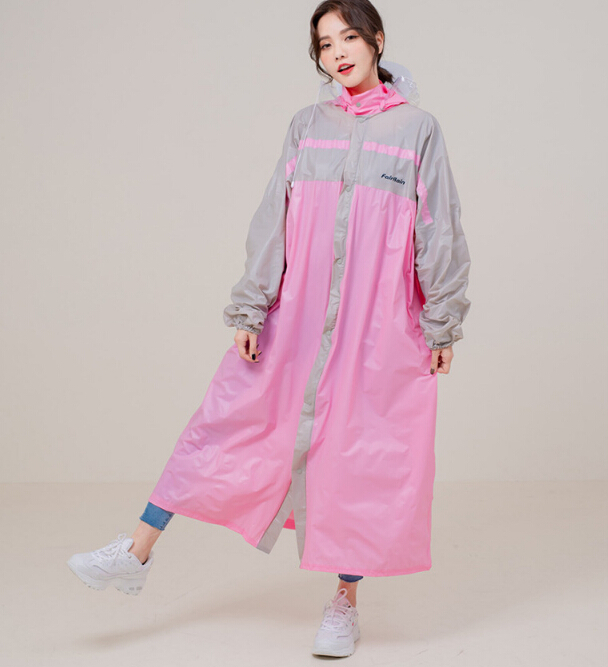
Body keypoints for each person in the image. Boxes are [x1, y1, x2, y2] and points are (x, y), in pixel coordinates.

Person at [67, 0, 471, 659]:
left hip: (376, 328)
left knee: (360, 457)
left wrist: (441, 325)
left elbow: (439, 229)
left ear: (376, 40)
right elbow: (273, 219)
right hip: (296, 317)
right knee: (222, 424)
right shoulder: (306, 126)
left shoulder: (417, 129)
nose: (337, 52)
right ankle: (135, 552)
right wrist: (252, 306)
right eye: (324, 43)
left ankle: (344, 603)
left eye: (348, 37)